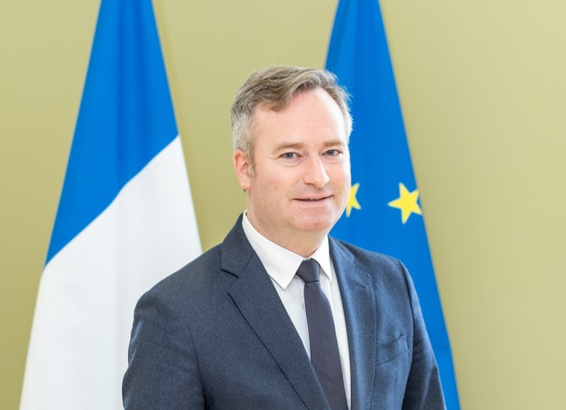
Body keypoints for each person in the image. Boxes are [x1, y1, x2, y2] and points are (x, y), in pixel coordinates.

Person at [122, 66, 446, 409]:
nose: (319, 177)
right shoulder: (176, 313)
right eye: (291, 155)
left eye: (332, 152)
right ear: (245, 169)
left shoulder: (391, 282)